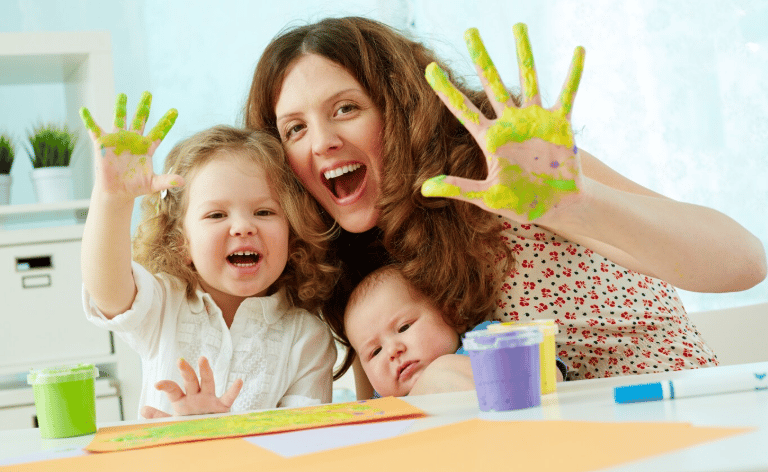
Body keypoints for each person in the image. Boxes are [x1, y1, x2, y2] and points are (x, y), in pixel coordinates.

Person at [245, 17, 766, 395]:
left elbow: (744, 262)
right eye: (295, 128)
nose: (322, 142)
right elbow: (387, 420)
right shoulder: (359, 267)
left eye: (346, 108)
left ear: (400, 110)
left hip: (681, 423)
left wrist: (574, 205)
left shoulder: (506, 168)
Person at [79, 92, 339, 418]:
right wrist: (111, 200)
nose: (243, 227)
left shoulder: (307, 339)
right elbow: (107, 291)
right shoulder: (164, 305)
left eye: (264, 212)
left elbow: (304, 440)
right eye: (217, 215)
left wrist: (212, 431)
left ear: (292, 233)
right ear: (181, 243)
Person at [344, 265, 565, 397]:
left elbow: (548, 374)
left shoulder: (482, 343)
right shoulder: (383, 407)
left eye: (404, 327)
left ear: (452, 314)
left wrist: (447, 370)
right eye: (375, 352)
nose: (393, 350)